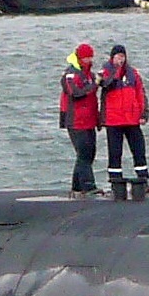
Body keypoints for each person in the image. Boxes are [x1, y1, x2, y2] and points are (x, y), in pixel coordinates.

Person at [98, 44, 149, 196]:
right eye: (117, 56)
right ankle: (116, 184)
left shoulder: (133, 73)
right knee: (115, 153)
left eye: (122, 56)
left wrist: (143, 114)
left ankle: (143, 180)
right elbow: (105, 84)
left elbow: (140, 94)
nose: (120, 59)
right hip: (113, 120)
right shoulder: (105, 72)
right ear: (112, 57)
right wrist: (115, 71)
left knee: (139, 150)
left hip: (131, 119)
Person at [58, 43, 101, 195]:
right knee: (84, 153)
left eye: (90, 57)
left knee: (89, 153)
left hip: (89, 120)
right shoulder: (70, 74)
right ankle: (88, 186)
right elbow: (75, 93)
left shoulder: (90, 75)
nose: (89, 60)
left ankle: (77, 187)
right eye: (86, 57)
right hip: (75, 120)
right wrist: (94, 85)